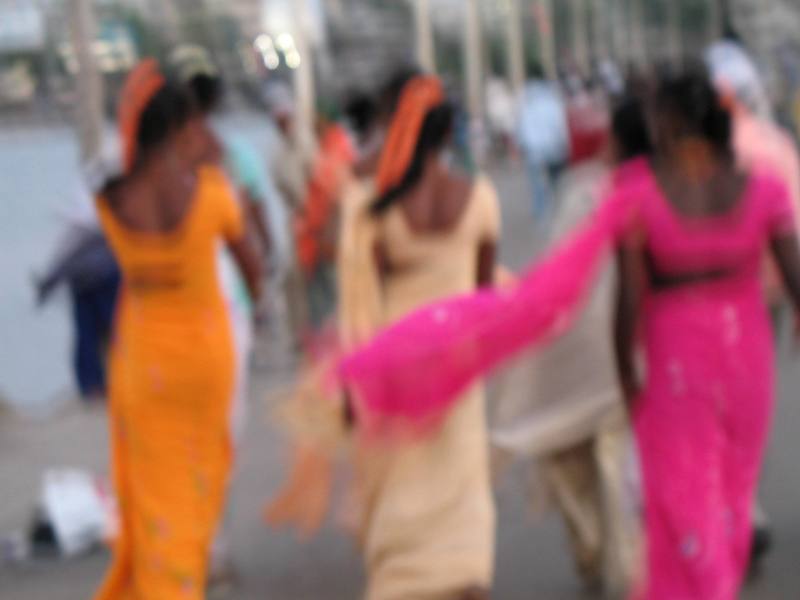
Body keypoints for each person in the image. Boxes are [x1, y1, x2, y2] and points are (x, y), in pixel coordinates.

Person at [269, 70, 501, 600]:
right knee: (464, 523)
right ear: (446, 134)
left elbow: (358, 311)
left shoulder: (369, 207)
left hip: (392, 378)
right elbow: (485, 303)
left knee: (398, 518)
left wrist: (352, 396)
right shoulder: (481, 197)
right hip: (459, 376)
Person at [614, 67, 800, 599]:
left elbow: (627, 297)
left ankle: (708, 585)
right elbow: (795, 272)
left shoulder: (641, 192)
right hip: (749, 359)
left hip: (677, 363)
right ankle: (718, 576)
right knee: (732, 491)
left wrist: (625, 370)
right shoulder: (762, 188)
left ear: (670, 124)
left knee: (684, 493)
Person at [93, 59, 262, 600]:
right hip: (207, 359)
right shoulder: (211, 193)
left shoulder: (112, 199)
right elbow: (253, 268)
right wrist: (252, 307)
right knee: (199, 481)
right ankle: (187, 579)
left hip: (143, 364)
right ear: (178, 127)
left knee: (153, 493)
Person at [490, 97, 650, 597]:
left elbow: (558, 269)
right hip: (631, 360)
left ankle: (601, 559)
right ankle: (627, 570)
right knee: (620, 471)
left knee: (580, 469)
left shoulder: (584, 190)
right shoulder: (659, 193)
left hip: (580, 361)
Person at [517, 66, 570, 225]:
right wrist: (565, 143)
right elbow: (560, 123)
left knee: (537, 182)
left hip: (533, 147)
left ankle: (541, 211)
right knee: (554, 179)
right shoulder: (552, 98)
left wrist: (521, 143)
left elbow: (521, 124)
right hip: (553, 146)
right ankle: (555, 206)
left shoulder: (525, 98)